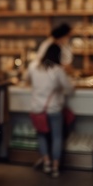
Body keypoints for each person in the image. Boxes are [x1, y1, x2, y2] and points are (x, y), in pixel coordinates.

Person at [26, 43, 74, 178]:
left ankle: (46, 163)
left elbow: (26, 80)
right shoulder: (57, 70)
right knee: (57, 137)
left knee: (41, 136)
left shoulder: (33, 67)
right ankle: (55, 166)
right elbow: (69, 88)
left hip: (37, 108)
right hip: (53, 108)